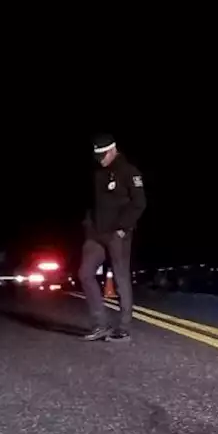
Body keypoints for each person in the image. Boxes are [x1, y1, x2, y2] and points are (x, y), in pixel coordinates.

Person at [79, 133, 146, 342]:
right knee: (85, 273)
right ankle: (101, 324)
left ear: (113, 150)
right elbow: (92, 202)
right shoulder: (98, 173)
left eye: (103, 155)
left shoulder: (129, 172)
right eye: (97, 156)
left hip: (118, 233)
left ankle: (124, 328)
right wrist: (88, 224)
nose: (100, 159)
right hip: (96, 233)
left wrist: (123, 228)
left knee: (120, 278)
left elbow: (139, 203)